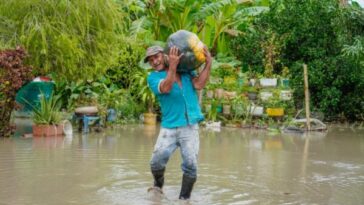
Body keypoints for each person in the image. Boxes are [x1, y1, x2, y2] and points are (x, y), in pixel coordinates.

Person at [145, 45, 212, 200]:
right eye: (151, 60)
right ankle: (158, 184)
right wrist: (173, 67)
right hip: (169, 126)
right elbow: (166, 88)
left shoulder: (186, 71)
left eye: (157, 56)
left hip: (189, 125)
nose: (155, 61)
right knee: (156, 163)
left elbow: (199, 84)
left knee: (191, 166)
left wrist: (208, 63)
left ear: (165, 54)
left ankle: (184, 199)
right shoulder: (153, 78)